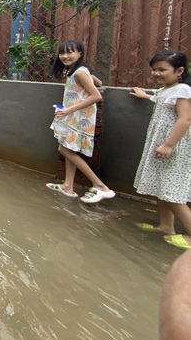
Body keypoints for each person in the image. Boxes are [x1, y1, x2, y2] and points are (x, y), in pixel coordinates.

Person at [130, 50, 191, 250]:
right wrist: (144, 95)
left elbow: (185, 119)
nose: (156, 73)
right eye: (154, 69)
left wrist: (169, 144)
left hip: (173, 148)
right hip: (161, 145)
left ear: (179, 70)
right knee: (161, 186)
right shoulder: (167, 89)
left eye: (162, 70)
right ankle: (166, 226)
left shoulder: (182, 90)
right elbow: (159, 100)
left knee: (171, 192)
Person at [45, 40, 115, 203]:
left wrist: (69, 109)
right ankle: (68, 186)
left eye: (70, 52)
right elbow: (98, 83)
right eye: (62, 53)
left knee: (64, 149)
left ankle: (100, 186)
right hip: (75, 116)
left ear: (80, 54)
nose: (65, 56)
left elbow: (96, 95)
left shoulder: (79, 73)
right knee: (70, 149)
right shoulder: (78, 71)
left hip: (79, 117)